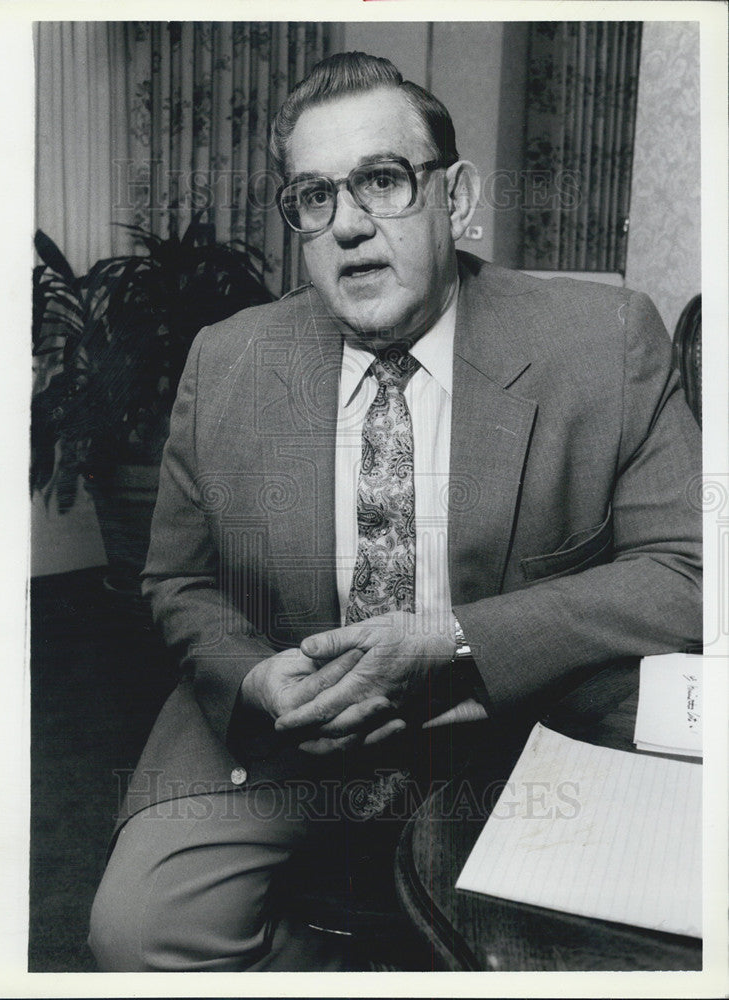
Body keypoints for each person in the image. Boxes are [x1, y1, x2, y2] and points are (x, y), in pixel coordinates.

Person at [88, 51, 702, 971]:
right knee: (137, 936)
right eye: (314, 196)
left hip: (517, 719)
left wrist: (455, 639)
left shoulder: (601, 342)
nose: (348, 227)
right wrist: (254, 681)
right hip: (284, 732)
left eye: (382, 180)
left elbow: (689, 574)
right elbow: (178, 578)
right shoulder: (228, 361)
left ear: (454, 199)